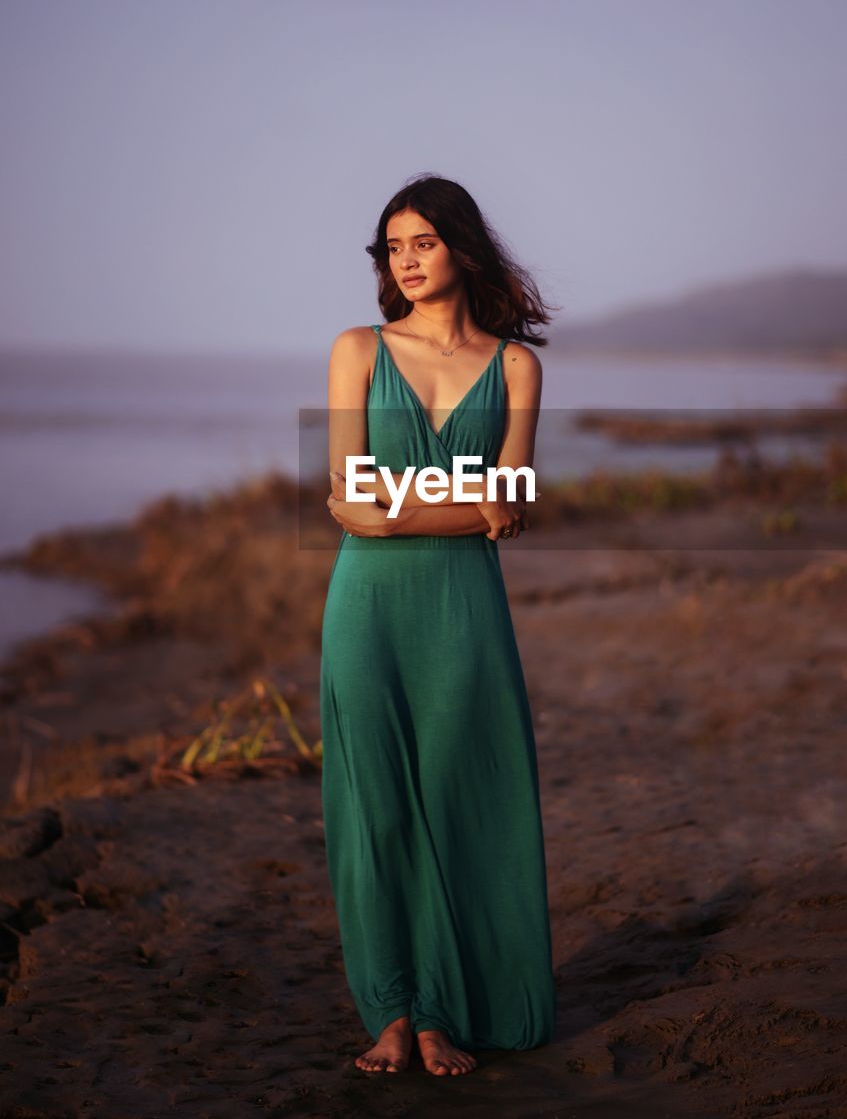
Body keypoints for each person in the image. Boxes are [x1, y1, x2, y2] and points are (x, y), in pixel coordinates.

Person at [320, 173, 557, 1077]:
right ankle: (389, 1010)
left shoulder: (516, 365)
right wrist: (469, 500)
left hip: (463, 612)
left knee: (460, 799)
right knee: (375, 810)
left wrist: (407, 507)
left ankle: (440, 1016)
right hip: (366, 612)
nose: (406, 260)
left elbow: (515, 501)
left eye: (423, 241)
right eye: (393, 246)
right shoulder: (357, 350)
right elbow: (348, 497)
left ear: (462, 245)